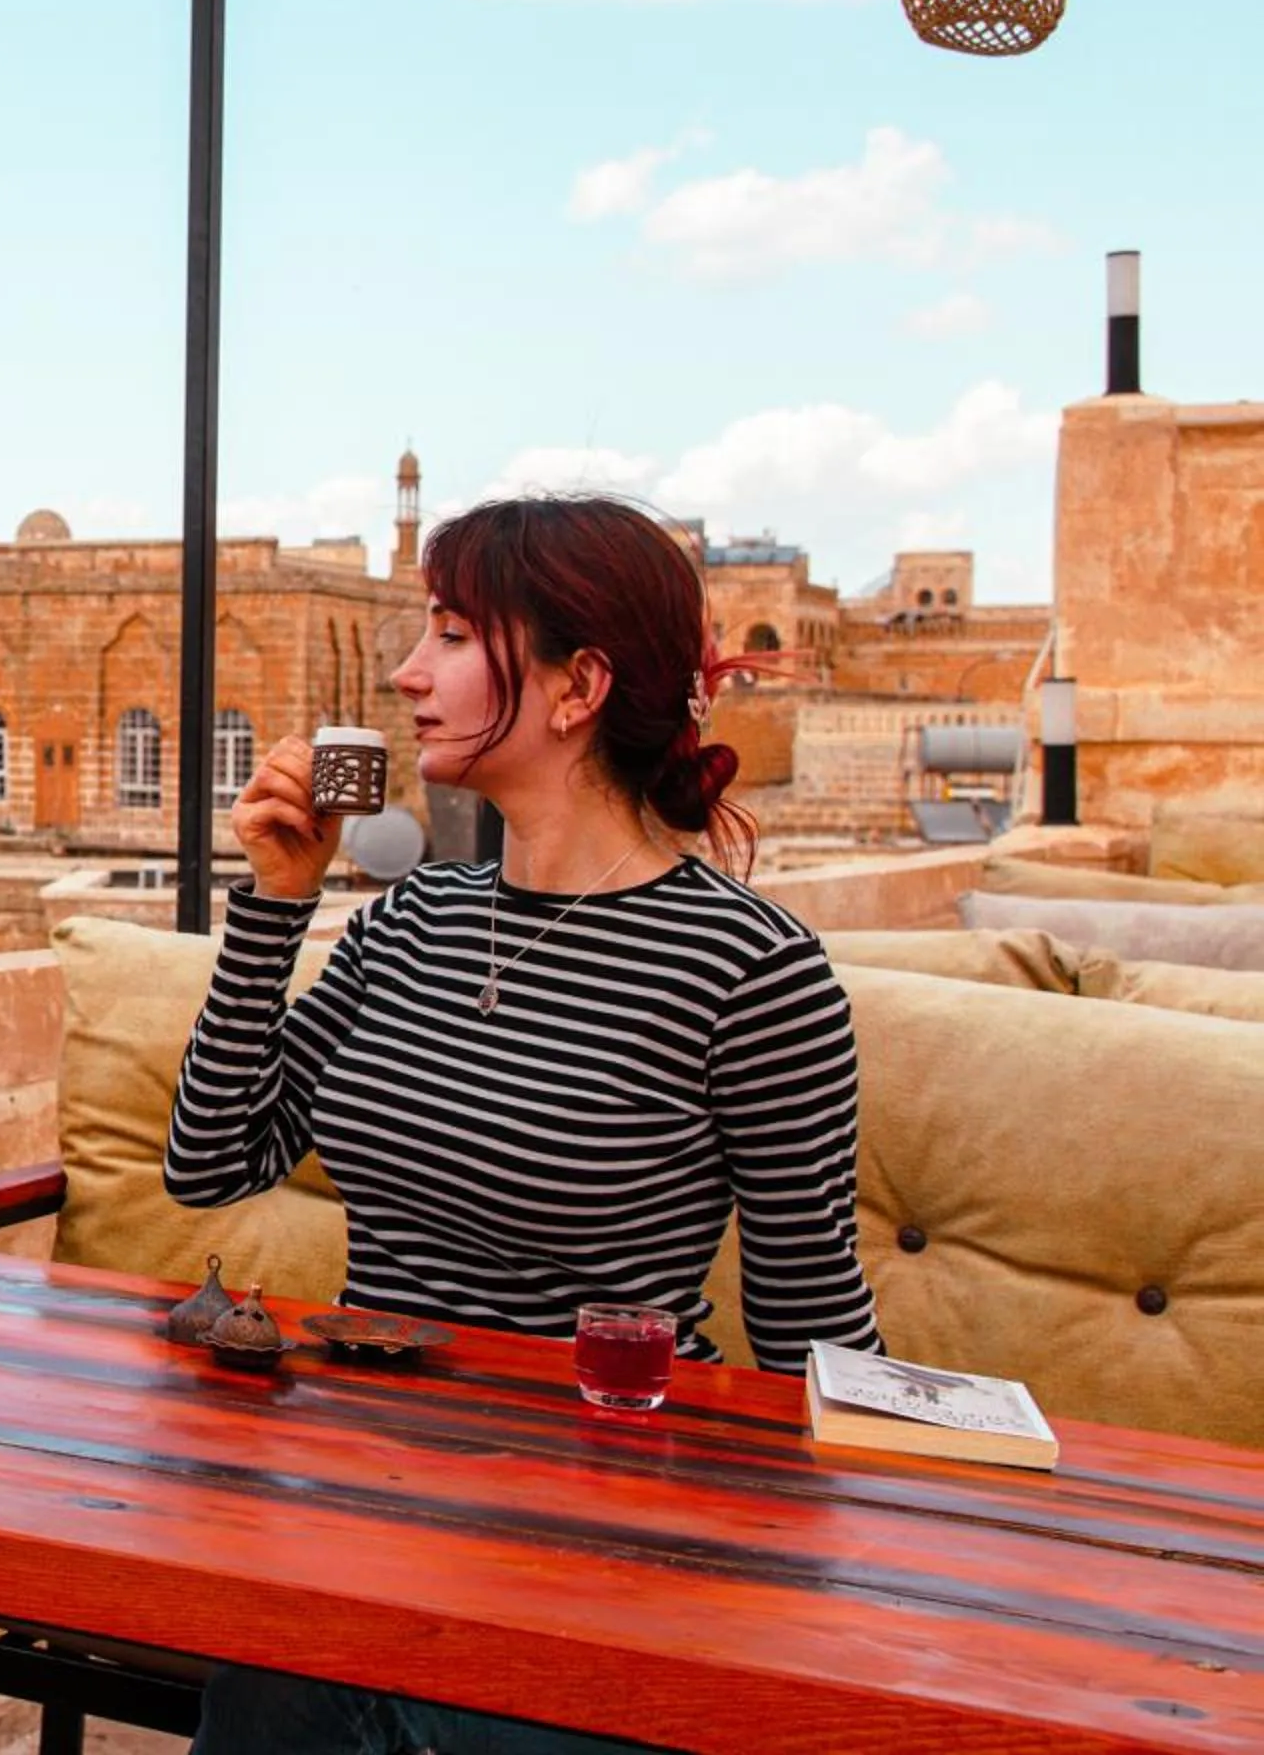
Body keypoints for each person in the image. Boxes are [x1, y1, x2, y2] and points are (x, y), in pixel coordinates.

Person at [166, 495, 880, 1755]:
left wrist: (809, 1635)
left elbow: (812, 1331)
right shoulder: (411, 922)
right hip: (365, 1501)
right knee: (283, 1686)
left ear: (578, 684)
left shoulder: (751, 971)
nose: (406, 669)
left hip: (596, 1538)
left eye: (450, 632)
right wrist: (278, 903)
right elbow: (214, 1161)